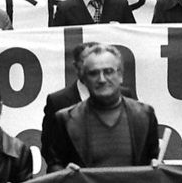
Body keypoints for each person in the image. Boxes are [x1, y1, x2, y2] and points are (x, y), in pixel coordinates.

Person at [44, 43, 159, 171]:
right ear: (84, 79)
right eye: (93, 73)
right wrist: (64, 173)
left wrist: (157, 165)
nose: (102, 79)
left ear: (120, 75)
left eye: (108, 71)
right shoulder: (65, 120)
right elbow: (54, 166)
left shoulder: (145, 115)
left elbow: (154, 160)